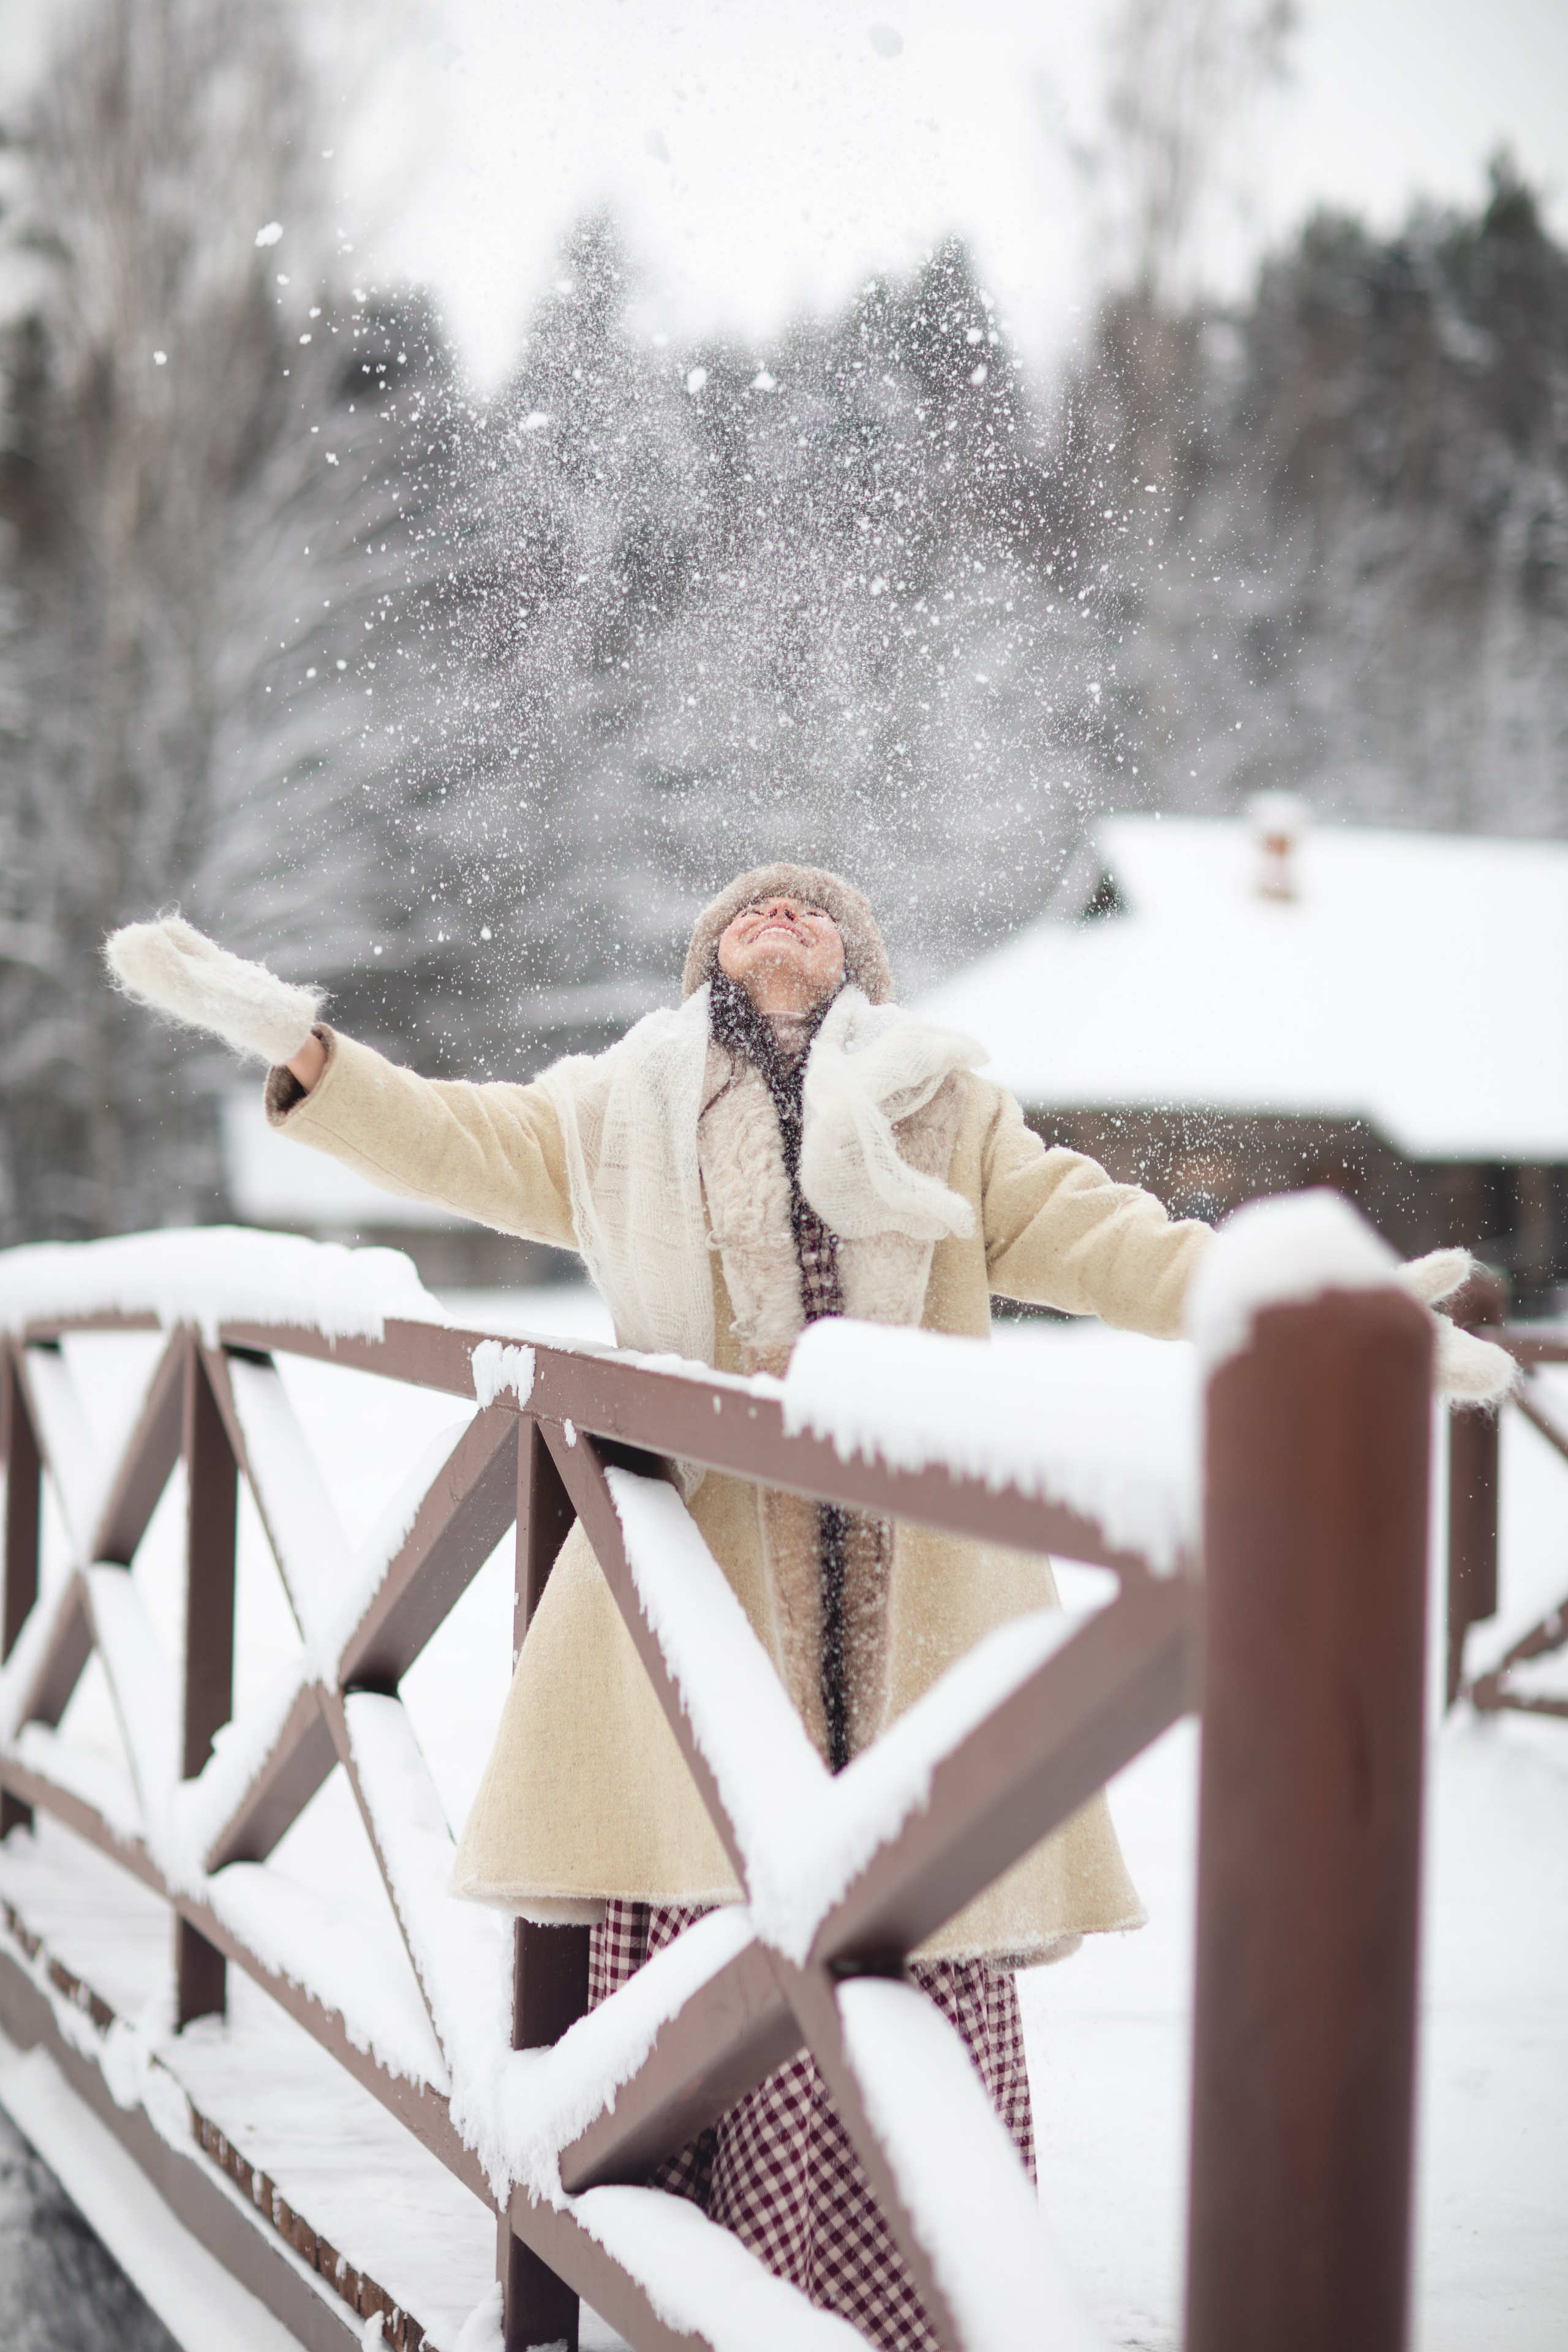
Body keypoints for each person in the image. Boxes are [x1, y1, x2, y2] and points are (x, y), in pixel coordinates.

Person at [104, 862, 1506, 2350]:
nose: (782, 914)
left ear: (860, 967)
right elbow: (453, 1137)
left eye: (813, 907)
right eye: (750, 908)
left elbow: (1112, 1243)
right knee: (718, 1920)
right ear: (707, 955)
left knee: (905, 1895)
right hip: (696, 1620)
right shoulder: (617, 1107)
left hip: (915, 1623)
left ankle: (898, 2286)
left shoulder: (946, 1111)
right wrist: (308, 1055)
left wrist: (1320, 1311)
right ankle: (674, 2264)